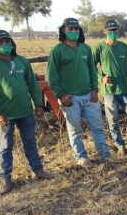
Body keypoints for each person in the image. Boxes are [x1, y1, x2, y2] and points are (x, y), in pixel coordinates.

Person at [0, 30, 54, 193]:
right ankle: (5, 178)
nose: (4, 44)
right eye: (0, 42)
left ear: (12, 43)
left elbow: (33, 84)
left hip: (25, 111)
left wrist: (38, 105)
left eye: (7, 41)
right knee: (6, 146)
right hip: (5, 114)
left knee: (30, 141)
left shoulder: (22, 61)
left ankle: (37, 170)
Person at [47, 18, 118, 168]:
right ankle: (81, 157)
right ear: (63, 31)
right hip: (70, 98)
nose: (74, 32)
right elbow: (52, 76)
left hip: (88, 96)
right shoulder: (57, 51)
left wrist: (94, 89)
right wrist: (61, 95)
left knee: (98, 126)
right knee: (75, 129)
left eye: (76, 29)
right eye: (70, 29)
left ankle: (104, 154)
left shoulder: (85, 48)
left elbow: (93, 71)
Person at [93, 19, 127, 156]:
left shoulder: (124, 47)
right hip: (109, 92)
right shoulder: (99, 48)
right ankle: (119, 145)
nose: (113, 33)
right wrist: (101, 78)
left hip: (125, 90)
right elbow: (91, 67)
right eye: (110, 31)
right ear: (105, 31)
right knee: (112, 120)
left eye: (115, 31)